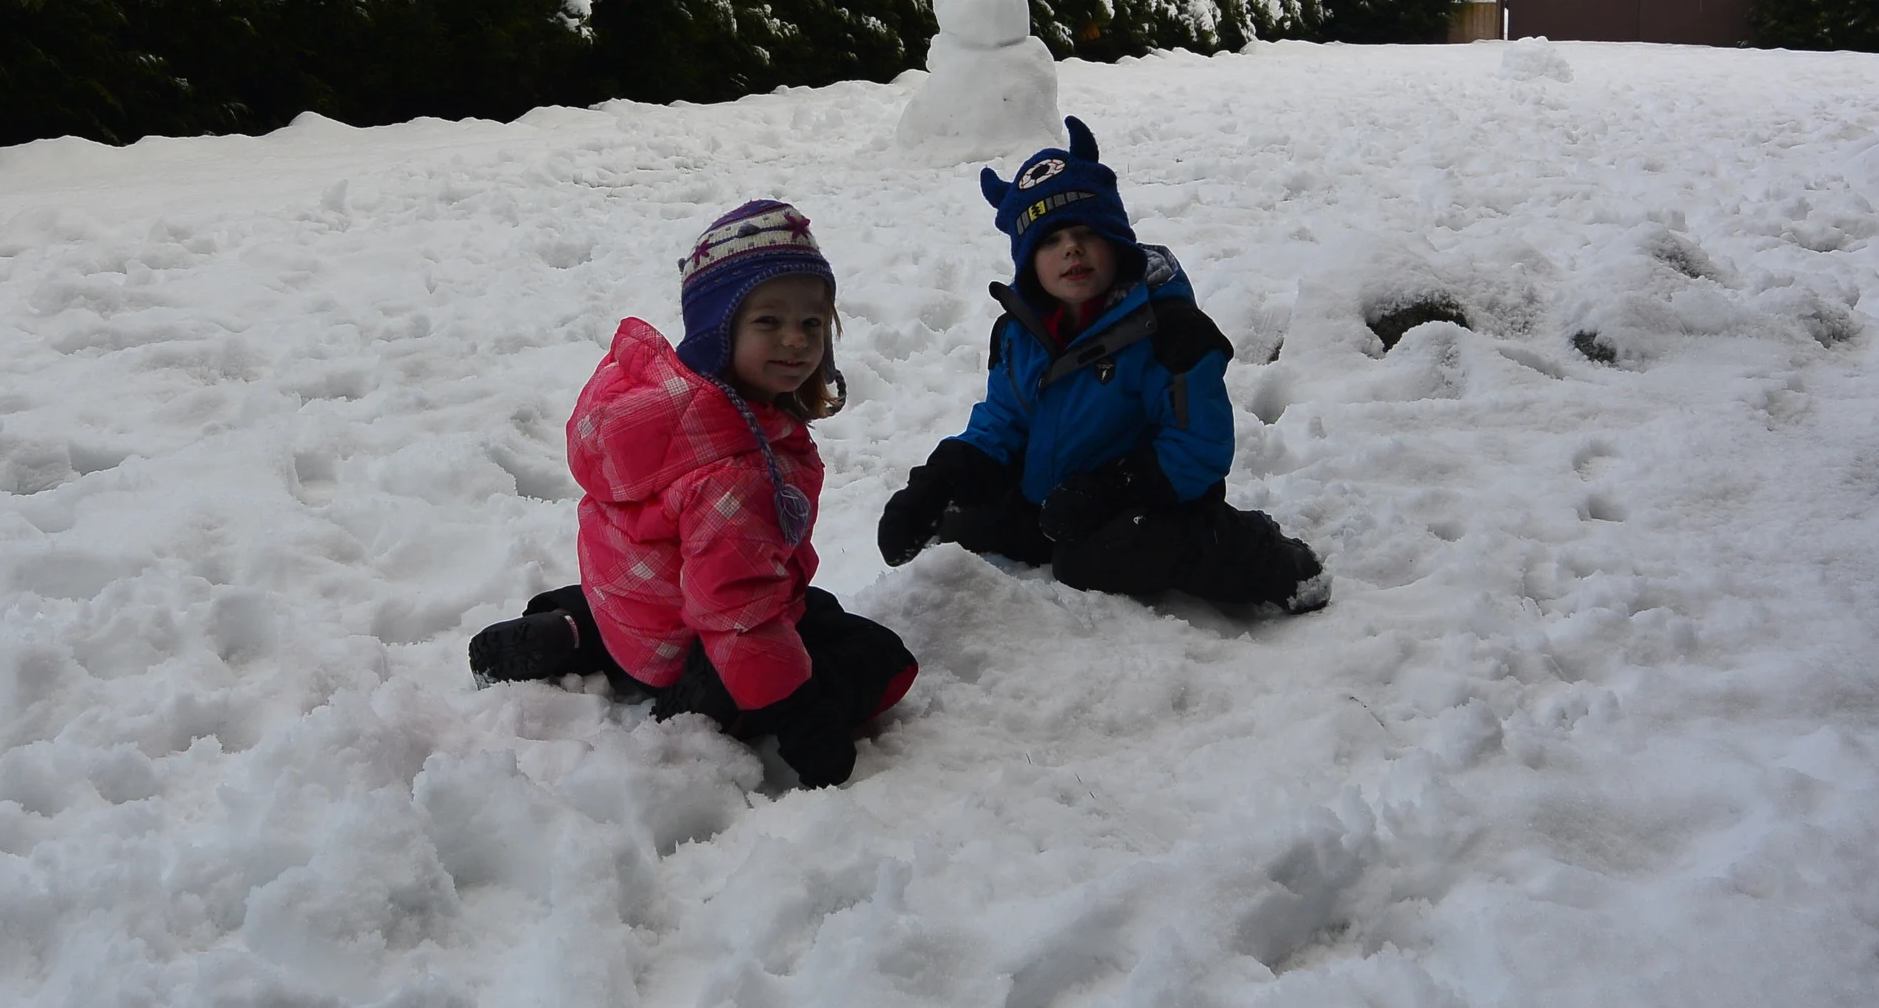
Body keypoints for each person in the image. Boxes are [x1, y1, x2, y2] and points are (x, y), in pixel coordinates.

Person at [468, 201, 917, 788]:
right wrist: (805, 717)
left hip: (626, 602)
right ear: (717, 328)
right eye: (767, 322)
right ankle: (706, 691)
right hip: (693, 637)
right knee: (876, 656)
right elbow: (738, 607)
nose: (795, 341)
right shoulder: (735, 468)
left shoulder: (667, 402)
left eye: (811, 323)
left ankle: (578, 629)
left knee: (803, 601)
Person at [875, 118, 1329, 613]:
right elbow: (1002, 423)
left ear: (1116, 241)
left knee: (1092, 560)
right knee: (963, 522)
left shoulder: (1170, 331)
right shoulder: (1018, 334)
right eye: (1049, 241)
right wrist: (935, 483)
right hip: (1057, 497)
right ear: (1029, 262)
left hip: (1152, 498)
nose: (1070, 248)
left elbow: (1198, 447)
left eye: (1085, 233)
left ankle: (1261, 553)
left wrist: (1109, 490)